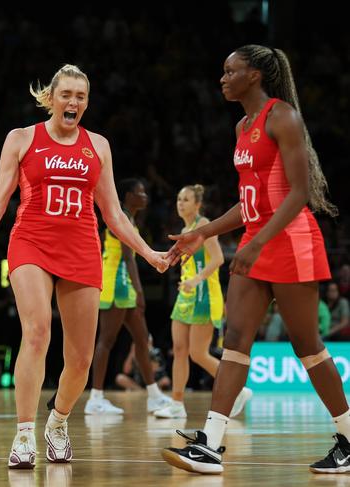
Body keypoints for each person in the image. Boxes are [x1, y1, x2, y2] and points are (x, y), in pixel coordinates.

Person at [0, 64, 168, 469]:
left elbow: (114, 213)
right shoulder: (22, 139)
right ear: (51, 97)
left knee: (80, 358)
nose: (74, 102)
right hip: (31, 242)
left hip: (81, 246)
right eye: (66, 94)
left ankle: (58, 422)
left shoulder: (98, 145)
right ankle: (24, 433)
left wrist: (149, 253)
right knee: (37, 332)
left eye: (81, 96)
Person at [162, 44, 350, 475]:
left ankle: (349, 436)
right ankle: (210, 444)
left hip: (290, 241)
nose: (222, 78)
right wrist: (203, 232)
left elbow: (299, 194)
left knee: (308, 347)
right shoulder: (242, 126)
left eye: (231, 71)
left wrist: (258, 241)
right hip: (257, 240)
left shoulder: (282, 117)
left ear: (255, 76)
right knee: (236, 342)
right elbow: (249, 201)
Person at [154, 185, 252, 419]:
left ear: (197, 204)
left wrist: (196, 280)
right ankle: (177, 404)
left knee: (198, 353)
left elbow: (218, 259)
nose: (180, 203)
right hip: (186, 295)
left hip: (204, 295)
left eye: (186, 199)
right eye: (178, 199)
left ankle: (239, 391)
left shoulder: (203, 224)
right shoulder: (185, 228)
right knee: (179, 350)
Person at [84, 178, 171, 415]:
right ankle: (96, 397)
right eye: (139, 192)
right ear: (127, 196)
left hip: (125, 285)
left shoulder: (128, 218)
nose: (144, 196)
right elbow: (128, 258)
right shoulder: (119, 216)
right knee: (106, 340)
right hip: (116, 284)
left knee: (142, 340)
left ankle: (153, 395)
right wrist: (140, 291)